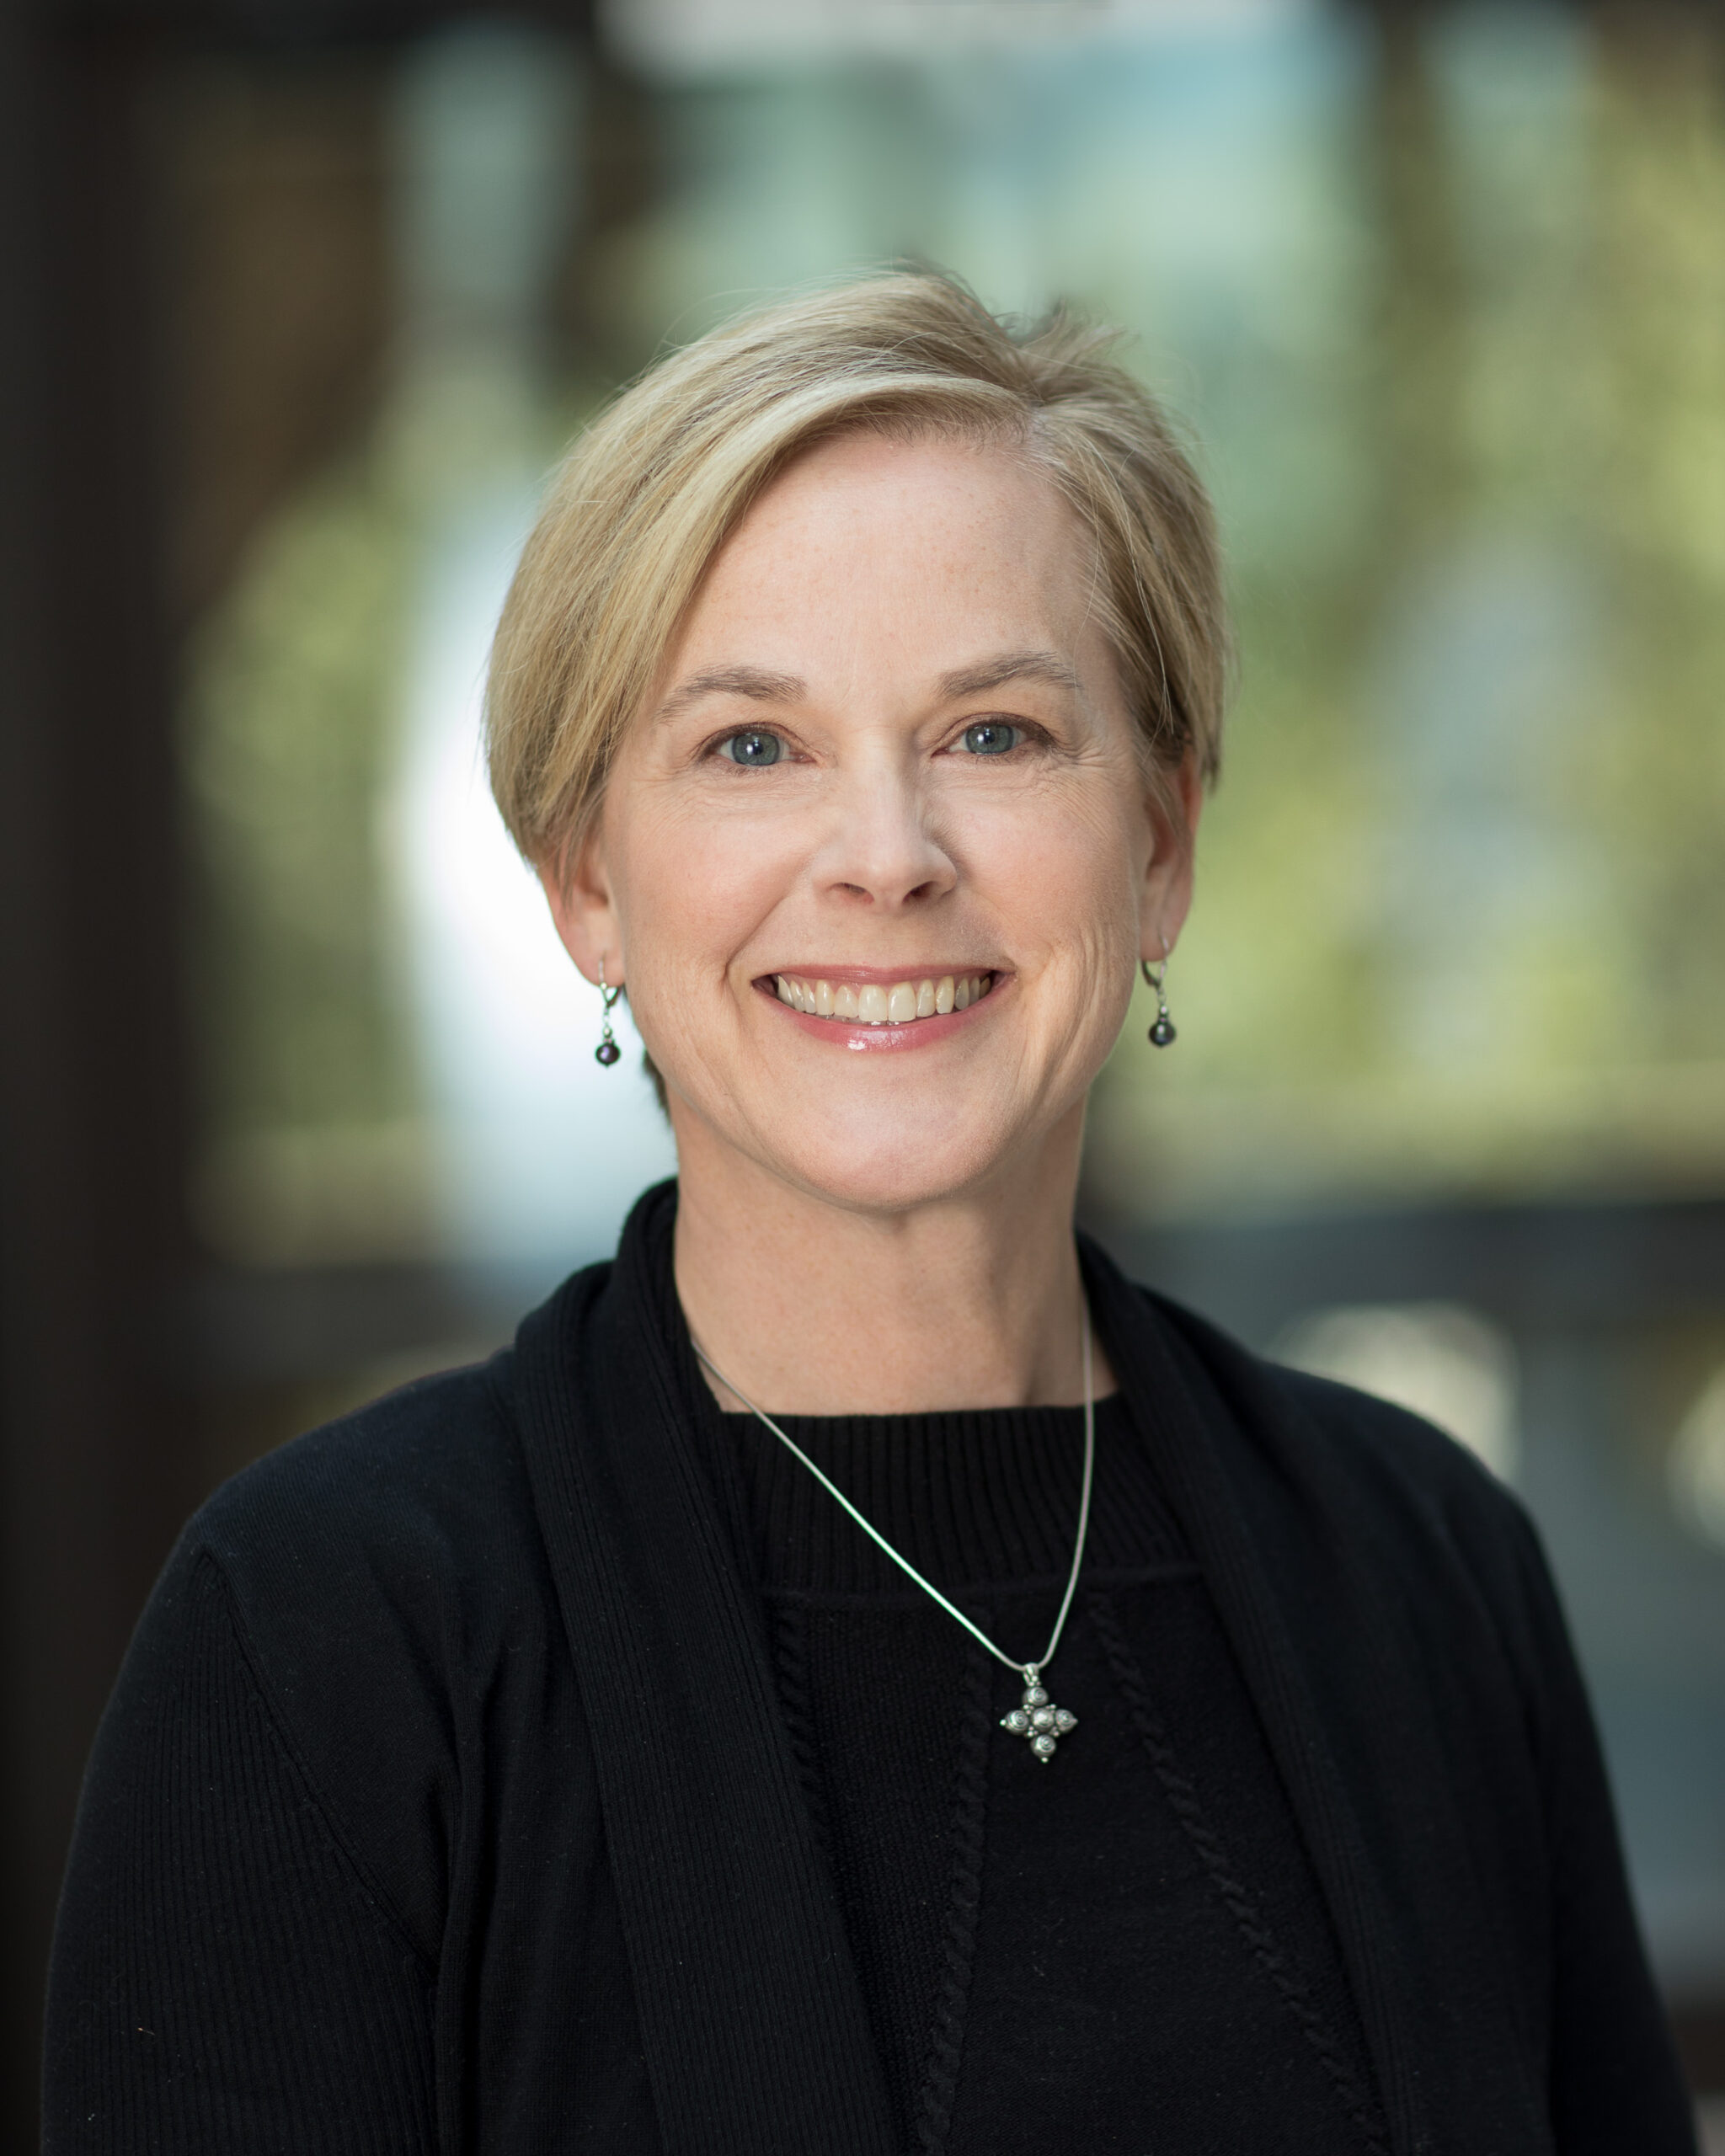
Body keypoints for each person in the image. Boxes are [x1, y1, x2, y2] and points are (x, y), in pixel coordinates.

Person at [45, 273, 1696, 2155]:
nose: (889, 858)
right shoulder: (330, 1636)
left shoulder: (1423, 1567)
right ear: (589, 880)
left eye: (993, 733)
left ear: (1157, 842)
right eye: (753, 747)